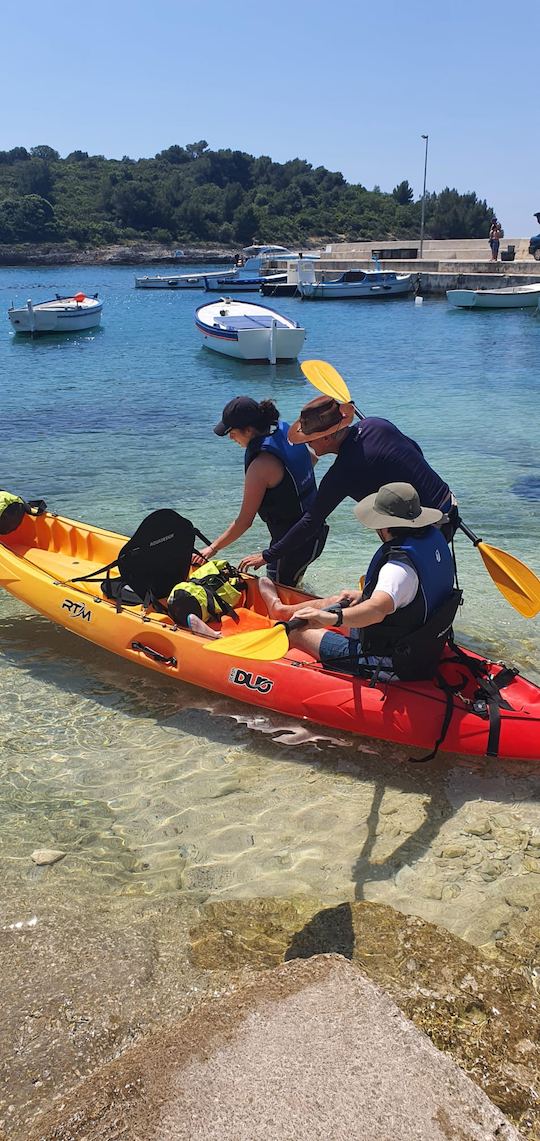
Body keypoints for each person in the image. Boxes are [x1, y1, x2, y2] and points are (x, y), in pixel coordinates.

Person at [256, 482, 457, 682]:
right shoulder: (433, 540)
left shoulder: (397, 569)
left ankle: (281, 636)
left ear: (384, 525)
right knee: (340, 599)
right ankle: (279, 609)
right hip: (418, 640)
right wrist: (363, 597)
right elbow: (412, 596)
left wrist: (334, 619)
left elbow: (377, 611)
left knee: (295, 630)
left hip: (389, 659)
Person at [237, 395, 456, 577]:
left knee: (396, 587)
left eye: (310, 439)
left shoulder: (343, 472)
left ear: (328, 437)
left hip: (430, 525)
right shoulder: (375, 423)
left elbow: (312, 521)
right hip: (449, 503)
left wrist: (267, 556)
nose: (307, 444)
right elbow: (414, 449)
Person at [200, 396, 328, 587]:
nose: (230, 437)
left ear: (249, 430)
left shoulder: (261, 466)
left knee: (277, 593)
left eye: (232, 432)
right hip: (315, 531)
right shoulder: (286, 434)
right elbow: (311, 459)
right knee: (292, 584)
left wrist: (212, 548)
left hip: (292, 545)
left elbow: (244, 522)